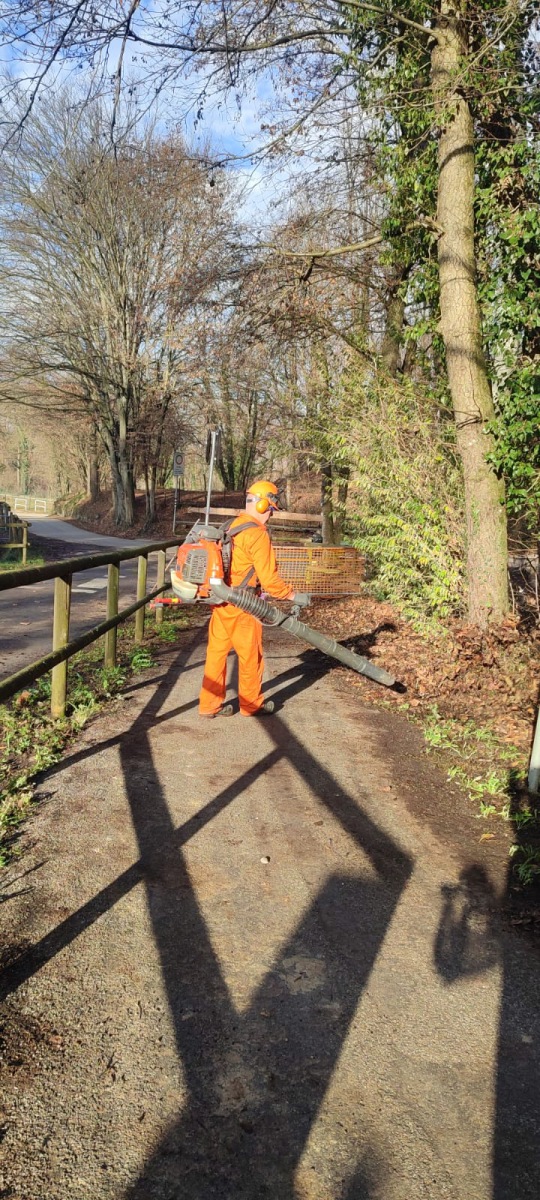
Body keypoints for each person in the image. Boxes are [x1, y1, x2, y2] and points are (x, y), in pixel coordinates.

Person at [198, 480, 307, 718]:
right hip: (244, 605)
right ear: (262, 505)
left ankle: (209, 705)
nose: (271, 515)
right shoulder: (257, 534)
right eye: (270, 509)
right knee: (250, 657)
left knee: (216, 653)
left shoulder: (229, 526)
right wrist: (292, 595)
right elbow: (270, 581)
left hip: (221, 600)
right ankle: (251, 705)